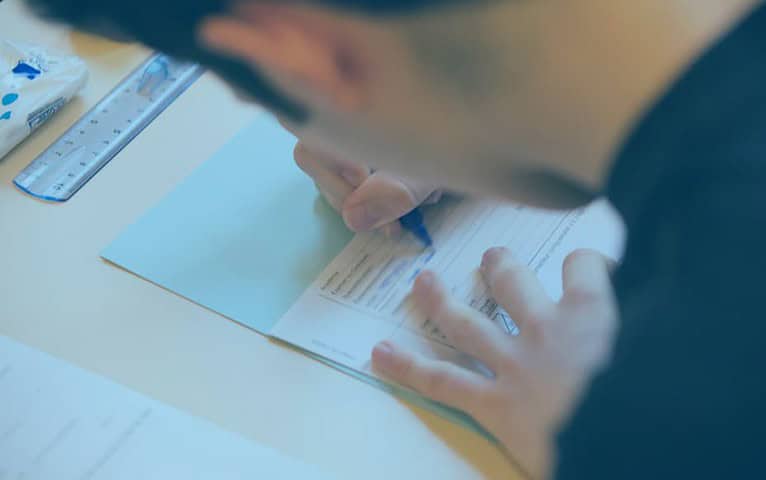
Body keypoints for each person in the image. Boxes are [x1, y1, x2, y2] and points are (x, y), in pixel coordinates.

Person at [25, 0, 765, 477]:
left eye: (269, 102)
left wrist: (604, 440)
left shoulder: (665, 418)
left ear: (296, 59)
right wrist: (499, 124)